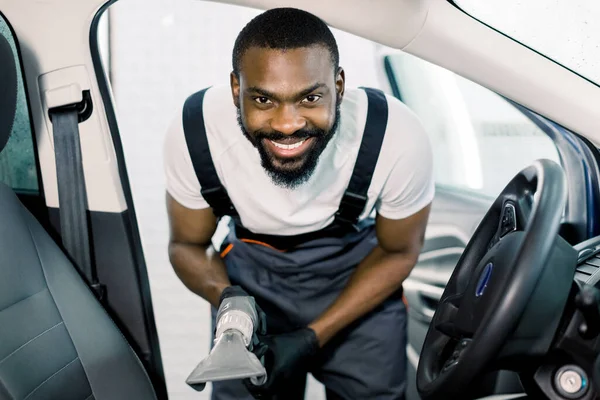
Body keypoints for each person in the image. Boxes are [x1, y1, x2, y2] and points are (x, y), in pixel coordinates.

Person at [164, 7, 434, 400]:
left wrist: (310, 338)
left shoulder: (395, 136)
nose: (288, 124)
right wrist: (227, 299)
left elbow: (398, 251)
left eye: (309, 97)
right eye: (264, 99)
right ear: (237, 90)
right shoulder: (195, 134)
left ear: (338, 86)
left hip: (359, 300)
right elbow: (186, 246)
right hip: (250, 297)